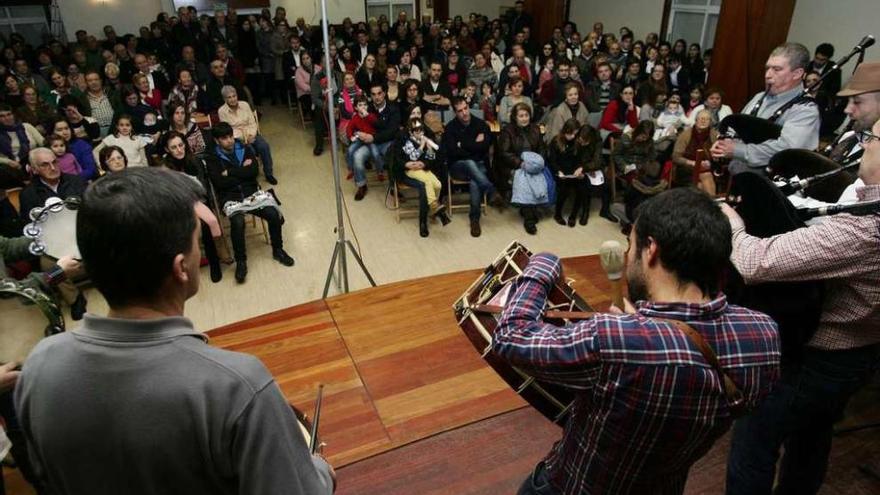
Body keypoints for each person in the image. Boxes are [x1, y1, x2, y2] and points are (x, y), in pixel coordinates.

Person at [13, 167, 335, 494]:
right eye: (197, 241)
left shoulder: (41, 365)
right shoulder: (236, 386)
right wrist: (321, 472)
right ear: (181, 267)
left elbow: (44, 476)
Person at [495, 187, 780, 495]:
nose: (627, 254)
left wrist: (542, 265)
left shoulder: (616, 339)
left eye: (630, 244)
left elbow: (511, 337)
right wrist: (642, 326)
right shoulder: (763, 334)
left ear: (651, 250)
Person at [722, 116, 880, 495]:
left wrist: (731, 222)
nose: (865, 144)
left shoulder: (867, 229)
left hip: (818, 359)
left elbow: (755, 261)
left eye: (872, 137)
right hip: (861, 352)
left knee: (753, 445)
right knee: (811, 438)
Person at [710, 43, 820, 175]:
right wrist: (725, 142)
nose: (768, 75)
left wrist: (737, 150)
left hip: (770, 184)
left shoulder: (806, 110)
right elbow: (739, 126)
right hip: (737, 176)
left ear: (797, 73)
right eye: (767, 68)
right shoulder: (760, 97)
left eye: (777, 69)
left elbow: (787, 150)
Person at [205, 122, 293, 283]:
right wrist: (242, 172)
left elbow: (253, 172)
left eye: (231, 136)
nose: (230, 140)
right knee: (237, 222)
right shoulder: (212, 157)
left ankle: (278, 250)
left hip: (251, 193)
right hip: (230, 197)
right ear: (217, 141)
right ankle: (241, 261)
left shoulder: (244, 148)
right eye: (225, 138)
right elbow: (219, 183)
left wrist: (229, 172)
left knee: (273, 214)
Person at [19, 147, 89, 320]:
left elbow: (93, 210)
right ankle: (74, 299)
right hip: (54, 243)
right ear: (34, 169)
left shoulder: (77, 182)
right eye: (45, 165)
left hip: (83, 234)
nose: (52, 167)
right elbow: (32, 229)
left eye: (54, 162)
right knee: (48, 264)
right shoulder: (28, 194)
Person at [160, 131, 222, 282]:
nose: (179, 150)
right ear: (167, 150)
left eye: (181, 145)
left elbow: (202, 188)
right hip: (180, 205)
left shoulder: (195, 160)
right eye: (174, 147)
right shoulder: (165, 168)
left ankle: (214, 263)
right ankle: (186, 265)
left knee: (205, 226)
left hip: (199, 201)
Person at [442, 96, 505, 237]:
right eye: (460, 111)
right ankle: (490, 191)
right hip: (458, 167)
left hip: (479, 165)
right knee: (470, 164)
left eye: (465, 108)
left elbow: (484, 146)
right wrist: (473, 146)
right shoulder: (451, 128)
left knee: (475, 181)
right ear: (455, 112)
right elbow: (452, 151)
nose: (464, 113)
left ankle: (475, 219)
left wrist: (463, 144)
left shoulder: (481, 124)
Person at [392, 117, 450, 237]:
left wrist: (428, 150)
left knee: (438, 184)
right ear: (411, 131)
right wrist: (421, 147)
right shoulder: (407, 141)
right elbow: (412, 157)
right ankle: (433, 207)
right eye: (416, 130)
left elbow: (432, 158)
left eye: (421, 129)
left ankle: (434, 209)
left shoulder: (426, 140)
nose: (420, 132)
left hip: (423, 169)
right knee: (426, 184)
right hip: (411, 170)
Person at [350, 82, 400, 200]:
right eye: (373, 94)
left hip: (387, 142)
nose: (377, 97)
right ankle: (362, 185)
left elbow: (392, 131)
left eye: (379, 93)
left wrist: (374, 137)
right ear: (370, 96)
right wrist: (358, 133)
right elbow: (355, 125)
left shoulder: (393, 108)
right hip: (369, 143)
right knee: (357, 156)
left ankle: (395, 186)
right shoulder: (367, 108)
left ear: (384, 94)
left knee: (393, 155)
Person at [218, 85, 277, 185]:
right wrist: (243, 137)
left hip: (251, 133)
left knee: (264, 146)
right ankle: (252, 176)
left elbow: (252, 122)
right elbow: (227, 130)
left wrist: (251, 135)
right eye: (229, 97)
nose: (233, 99)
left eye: (234, 96)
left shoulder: (245, 105)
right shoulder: (222, 111)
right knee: (251, 151)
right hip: (236, 138)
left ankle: (268, 173)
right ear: (225, 99)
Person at [549, 118, 585, 228]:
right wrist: (558, 172)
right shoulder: (556, 141)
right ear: (565, 131)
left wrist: (580, 169)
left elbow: (579, 159)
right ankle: (558, 214)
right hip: (560, 171)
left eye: (575, 134)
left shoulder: (577, 142)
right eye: (570, 134)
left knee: (581, 188)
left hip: (573, 172)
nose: (573, 137)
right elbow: (552, 160)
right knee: (564, 189)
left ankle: (573, 215)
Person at [672, 109, 718, 193]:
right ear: (696, 120)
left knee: (700, 185)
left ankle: (708, 204)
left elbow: (718, 155)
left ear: (710, 122)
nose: (703, 121)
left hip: (707, 168)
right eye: (701, 118)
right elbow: (675, 157)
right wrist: (693, 163)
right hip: (687, 169)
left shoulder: (714, 134)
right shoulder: (686, 134)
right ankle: (713, 203)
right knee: (705, 175)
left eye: (706, 119)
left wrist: (711, 161)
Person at [0, 104, 43, 172]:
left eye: (9, 114)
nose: (7, 118)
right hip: (12, 167)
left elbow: (43, 143)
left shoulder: (26, 126)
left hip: (35, 162)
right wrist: (8, 162)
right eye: (2, 116)